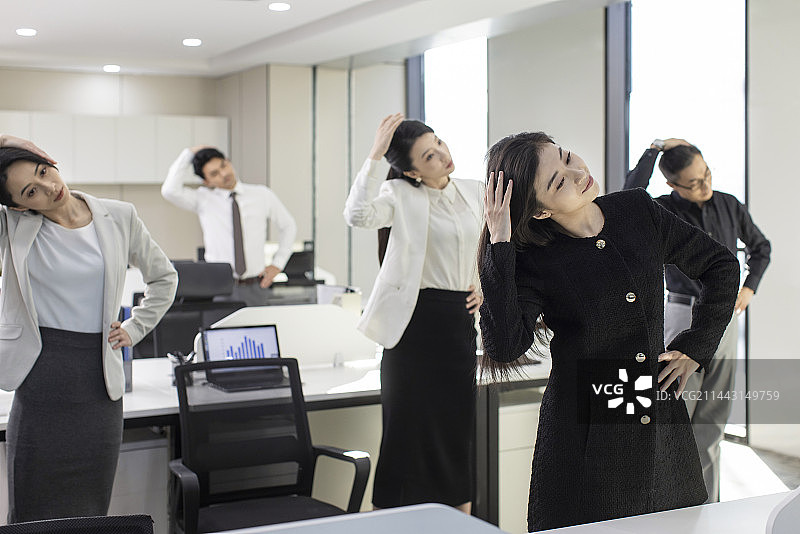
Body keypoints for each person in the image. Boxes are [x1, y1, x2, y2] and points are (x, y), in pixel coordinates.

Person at [478, 131, 740, 531]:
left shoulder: (637, 211)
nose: (576, 171)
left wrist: (693, 346)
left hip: (657, 415)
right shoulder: (533, 259)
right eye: (557, 180)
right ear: (541, 211)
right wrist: (500, 244)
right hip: (585, 433)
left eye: (567, 157)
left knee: (674, 523)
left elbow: (721, 265)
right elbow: (507, 345)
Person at [0, 135, 178, 522]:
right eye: (31, 191)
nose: (49, 188)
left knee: (91, 510)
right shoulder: (10, 227)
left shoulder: (120, 215)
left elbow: (164, 278)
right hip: (41, 381)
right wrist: (3, 141)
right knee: (32, 512)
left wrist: (135, 328)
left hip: (99, 383)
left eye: (43, 171)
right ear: (18, 204)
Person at [343, 113, 484, 513]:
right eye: (428, 154)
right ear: (411, 171)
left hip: (457, 324)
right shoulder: (399, 196)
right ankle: (392, 519)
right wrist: (374, 154)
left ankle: (458, 519)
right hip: (412, 329)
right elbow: (356, 215)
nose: (442, 154)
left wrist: (484, 284)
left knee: (455, 434)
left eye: (438, 143)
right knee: (405, 434)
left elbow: (499, 243)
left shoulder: (474, 192)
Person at [624, 139, 771, 502]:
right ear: (672, 185)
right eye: (693, 182)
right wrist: (654, 150)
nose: (705, 186)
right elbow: (628, 198)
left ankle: (708, 506)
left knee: (713, 420)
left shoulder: (728, 204)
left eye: (706, 175)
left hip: (724, 318)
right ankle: (669, 506)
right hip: (682, 315)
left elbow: (760, 248)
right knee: (674, 417)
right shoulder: (660, 210)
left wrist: (749, 289)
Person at [162, 146, 297, 306]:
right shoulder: (203, 199)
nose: (224, 174)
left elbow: (288, 226)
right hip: (218, 286)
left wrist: (277, 264)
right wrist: (189, 154)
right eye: (214, 174)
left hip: (256, 286)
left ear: (229, 162)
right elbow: (169, 190)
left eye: (223, 166)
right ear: (207, 181)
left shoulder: (262, 194)